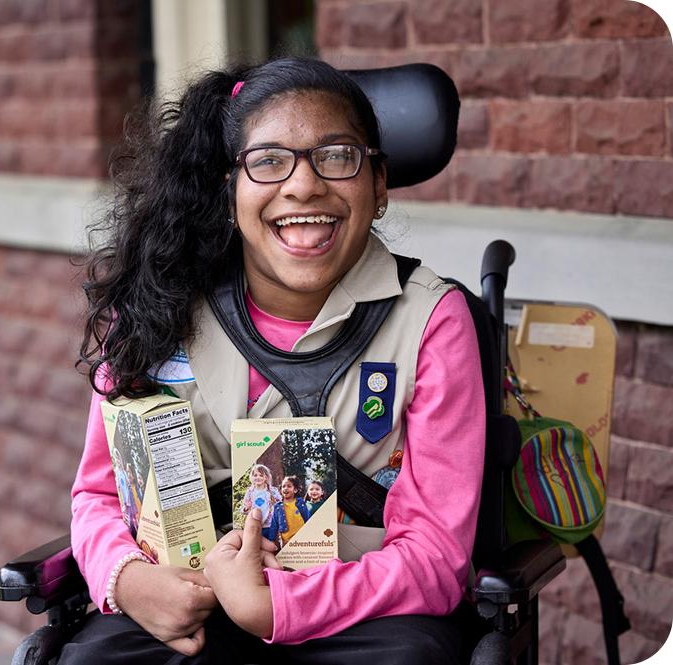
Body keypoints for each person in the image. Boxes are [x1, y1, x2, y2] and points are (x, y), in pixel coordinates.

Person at [63, 57, 485, 664]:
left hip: (363, 608)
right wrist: (125, 578)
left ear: (380, 185)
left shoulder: (432, 322)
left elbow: (437, 558)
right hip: (190, 600)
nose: (304, 185)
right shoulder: (160, 307)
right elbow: (99, 496)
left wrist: (275, 605)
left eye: (337, 156)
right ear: (228, 187)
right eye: (268, 161)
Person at [266, 475, 309, 546]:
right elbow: (274, 525)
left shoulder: (300, 503)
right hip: (286, 542)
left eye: (289, 486)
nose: (285, 488)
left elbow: (307, 518)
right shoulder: (277, 507)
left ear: (295, 490)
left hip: (302, 540)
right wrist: (271, 540)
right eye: (283, 486)